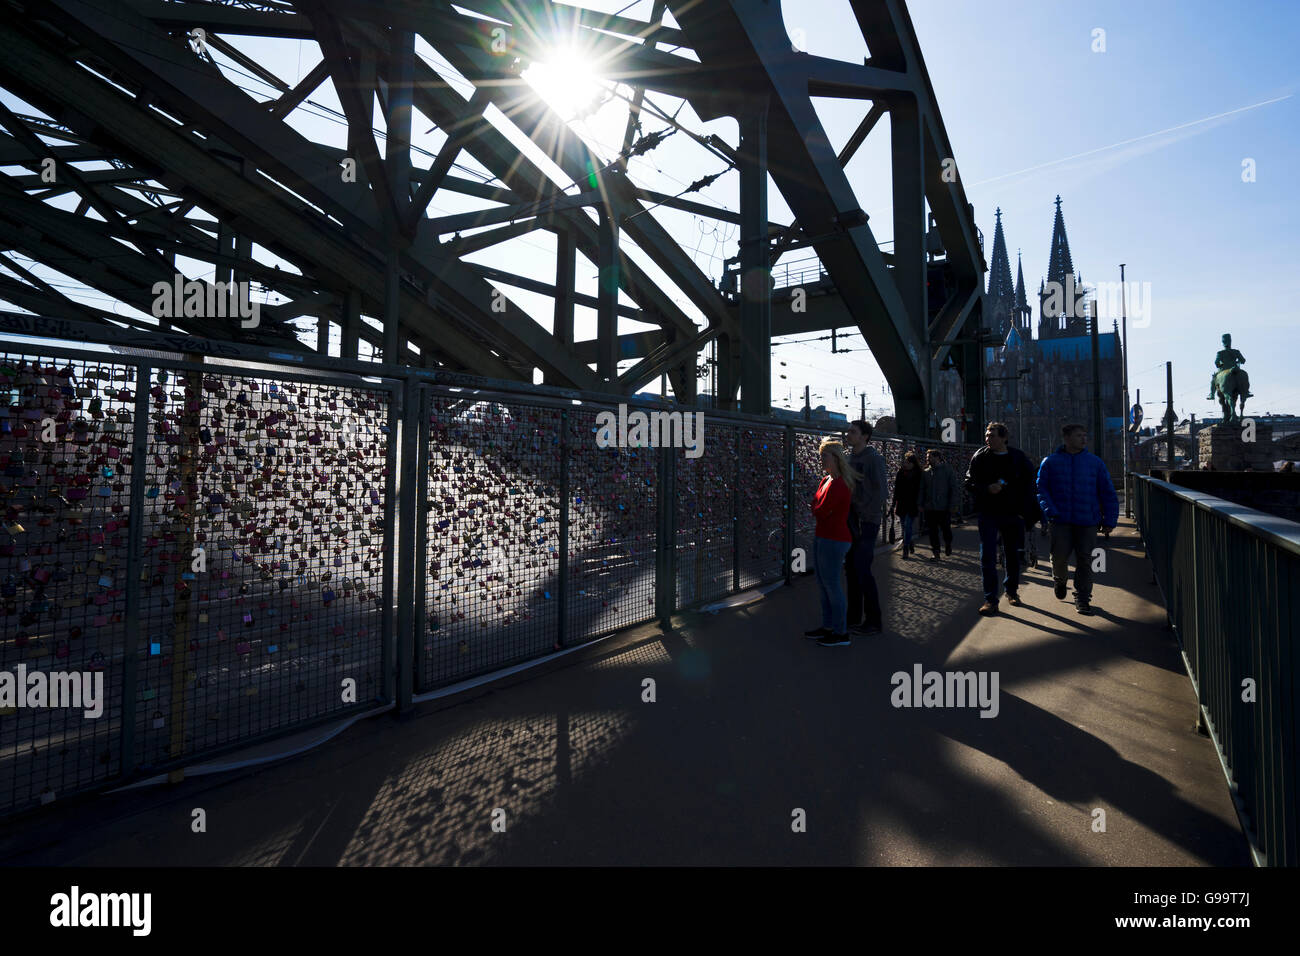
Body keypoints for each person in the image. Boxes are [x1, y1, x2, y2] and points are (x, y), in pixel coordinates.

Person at [1036, 424, 1120, 616]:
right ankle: (1060, 579)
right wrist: (1050, 511)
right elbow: (1041, 489)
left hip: (1088, 520)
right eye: (1078, 436)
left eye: (1085, 435)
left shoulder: (1095, 463)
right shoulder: (1050, 462)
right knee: (1059, 557)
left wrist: (1110, 519)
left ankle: (1082, 597)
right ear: (1066, 438)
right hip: (1060, 520)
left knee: (1085, 560)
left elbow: (1107, 492)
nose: (1084, 439)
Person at [964, 422, 1036, 615]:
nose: (988, 438)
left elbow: (1029, 482)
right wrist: (986, 488)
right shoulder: (980, 457)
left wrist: (1025, 512)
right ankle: (990, 600)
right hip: (988, 513)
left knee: (1012, 555)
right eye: (987, 435)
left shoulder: (1017, 457)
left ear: (1004, 437)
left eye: (992, 435)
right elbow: (969, 482)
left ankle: (1011, 591)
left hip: (1012, 513)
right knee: (987, 556)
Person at [805, 437, 857, 647]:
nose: (821, 460)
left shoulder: (840, 484)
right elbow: (816, 507)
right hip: (824, 536)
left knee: (832, 585)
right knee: (824, 584)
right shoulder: (826, 480)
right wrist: (818, 509)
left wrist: (818, 508)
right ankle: (828, 627)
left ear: (835, 458)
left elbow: (820, 510)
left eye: (824, 456)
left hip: (834, 539)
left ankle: (841, 632)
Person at [844, 420, 886, 636]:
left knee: (862, 568)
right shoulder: (848, 457)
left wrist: (865, 514)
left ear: (865, 436)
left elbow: (881, 492)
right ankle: (853, 617)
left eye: (853, 431)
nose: (848, 434)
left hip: (867, 521)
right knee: (851, 569)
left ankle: (873, 620)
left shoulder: (873, 459)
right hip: (850, 520)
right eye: (849, 431)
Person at [920, 448, 959, 561]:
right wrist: (920, 503)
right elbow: (922, 489)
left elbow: (953, 488)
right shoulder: (926, 472)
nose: (928, 459)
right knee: (932, 531)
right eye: (927, 457)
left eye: (930, 457)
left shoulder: (947, 470)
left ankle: (948, 543)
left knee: (946, 529)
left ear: (937, 457)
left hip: (944, 507)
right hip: (930, 507)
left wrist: (952, 505)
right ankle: (936, 552)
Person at [890, 452, 922, 559]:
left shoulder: (918, 473)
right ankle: (910, 541)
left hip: (913, 503)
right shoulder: (900, 473)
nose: (906, 464)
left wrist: (920, 503)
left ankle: (906, 547)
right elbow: (897, 489)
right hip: (902, 503)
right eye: (905, 462)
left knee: (907, 525)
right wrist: (894, 503)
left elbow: (921, 490)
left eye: (908, 463)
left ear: (913, 464)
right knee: (904, 526)